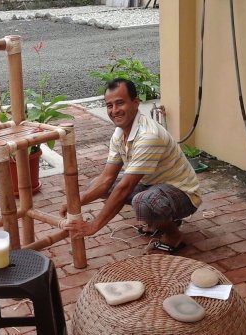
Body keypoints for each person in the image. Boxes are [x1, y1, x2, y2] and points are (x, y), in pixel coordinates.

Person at [60, 78, 201, 254]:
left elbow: (125, 187)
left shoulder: (149, 136)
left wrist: (92, 227)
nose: (114, 111)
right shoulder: (119, 133)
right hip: (154, 185)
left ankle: (173, 234)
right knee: (97, 185)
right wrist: (75, 203)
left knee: (144, 202)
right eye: (109, 105)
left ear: (136, 102)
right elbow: (106, 179)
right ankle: (159, 219)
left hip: (183, 193)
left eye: (120, 103)